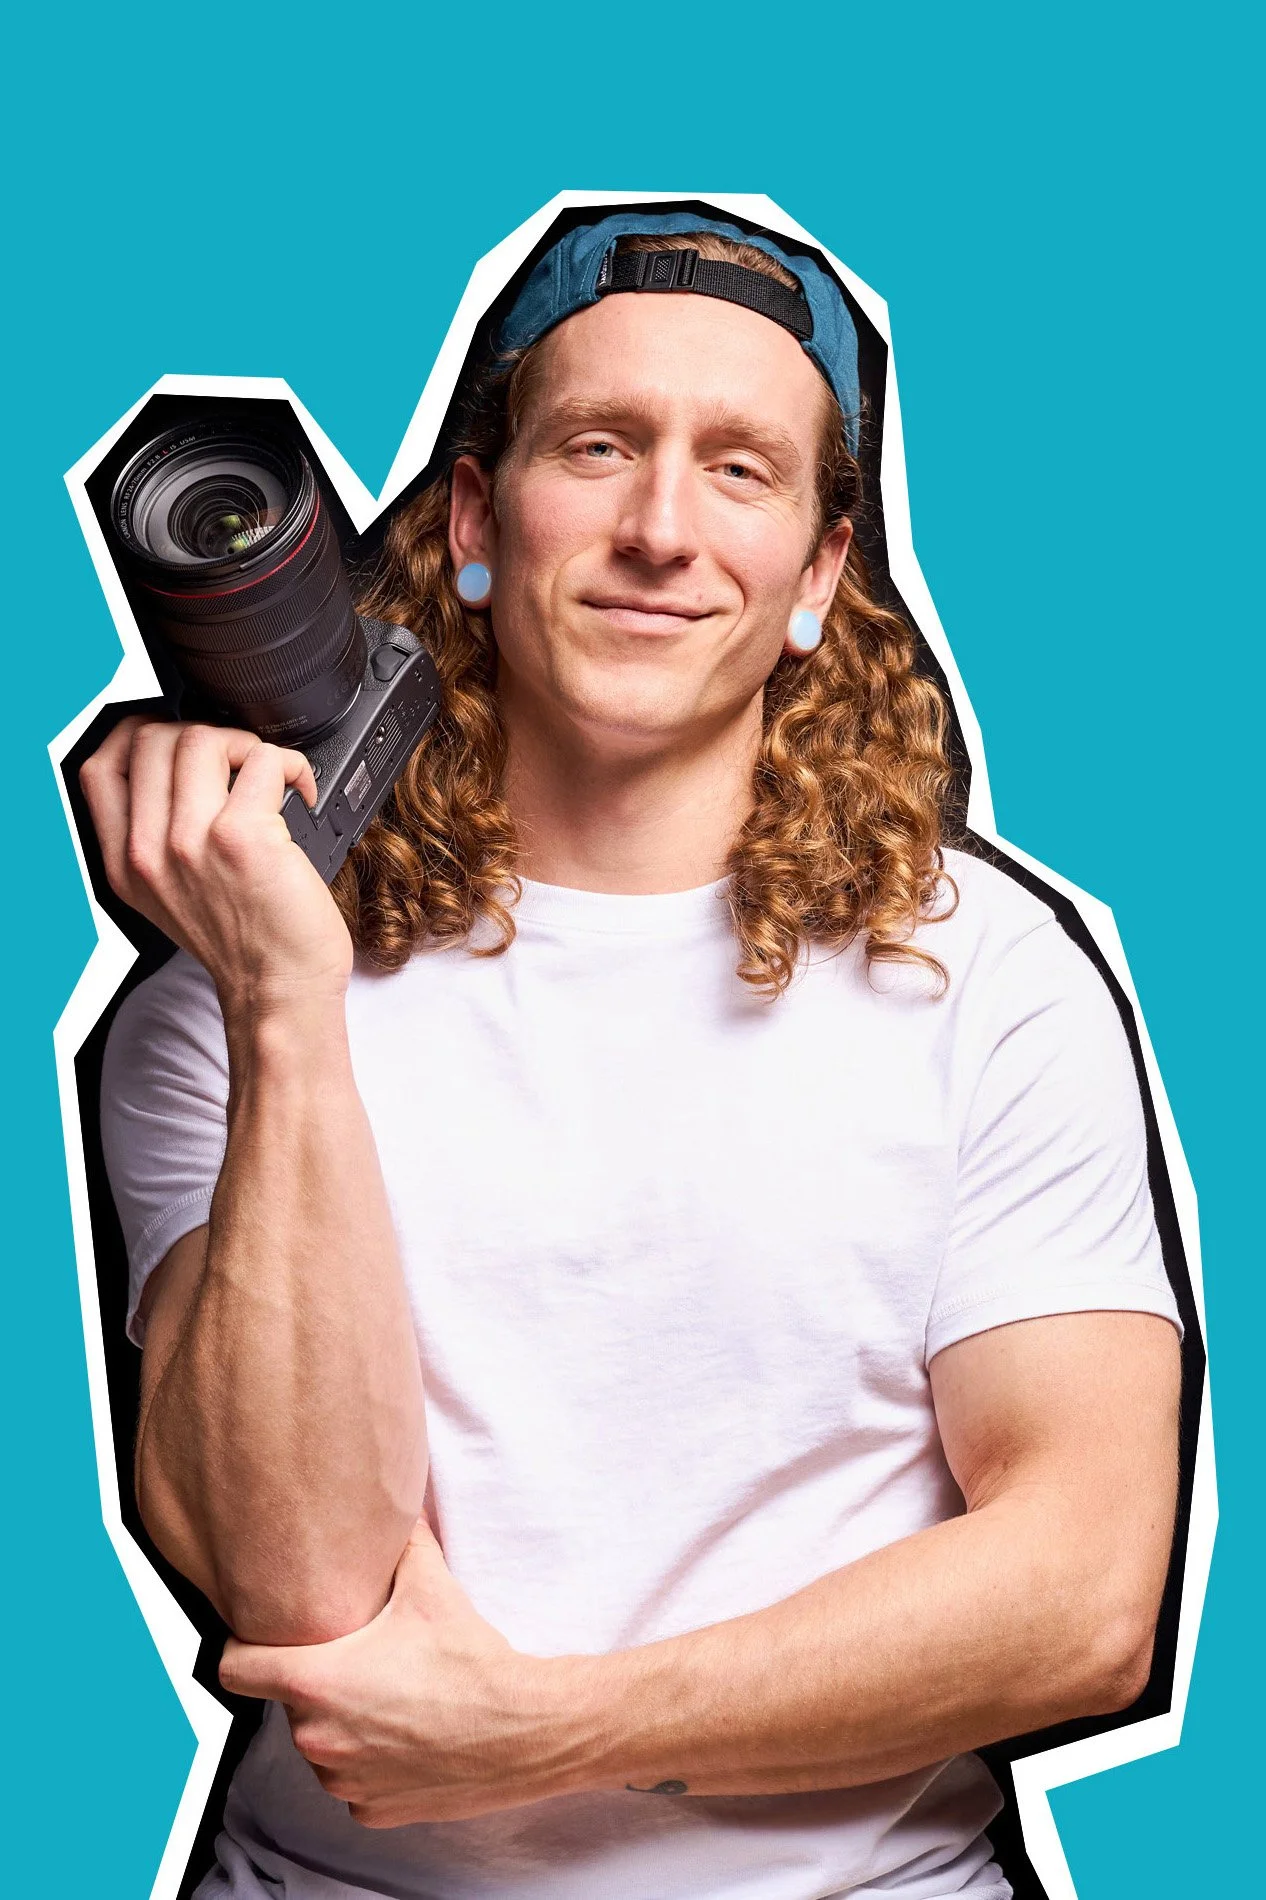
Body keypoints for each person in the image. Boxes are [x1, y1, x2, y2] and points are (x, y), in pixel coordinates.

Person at [82, 211, 1183, 1900]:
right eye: (598, 448)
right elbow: (293, 1578)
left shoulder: (987, 982)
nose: (661, 529)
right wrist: (283, 1002)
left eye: (740, 471)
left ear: (817, 581)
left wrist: (551, 1728)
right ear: (472, 522)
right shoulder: (224, 1002)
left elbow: (1085, 1595)